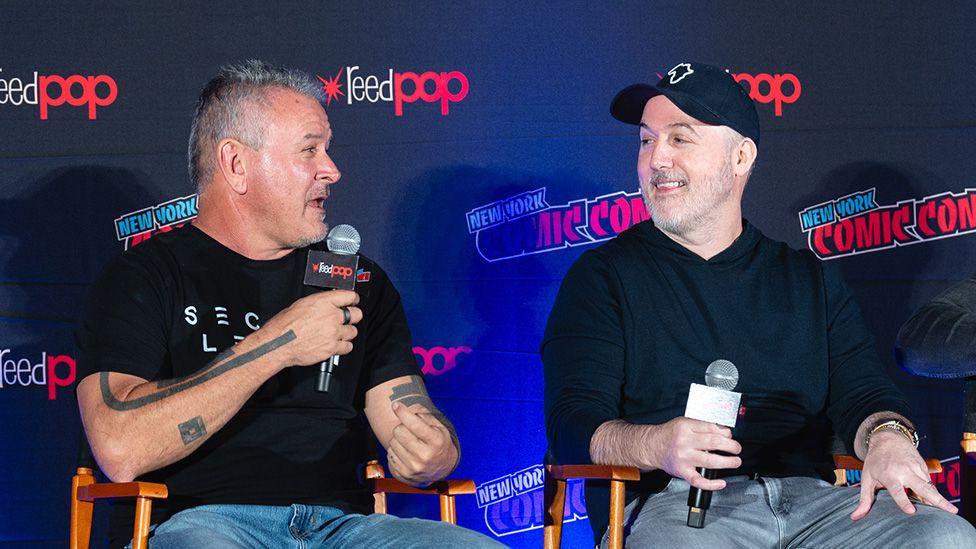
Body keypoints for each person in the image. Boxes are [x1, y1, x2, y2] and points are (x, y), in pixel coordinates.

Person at [542, 61, 976, 548]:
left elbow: (865, 395)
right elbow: (572, 424)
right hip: (680, 507)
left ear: (741, 157)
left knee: (945, 535)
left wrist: (888, 438)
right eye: (647, 140)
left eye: (680, 138)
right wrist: (656, 444)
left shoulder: (809, 280)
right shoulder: (603, 278)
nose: (656, 159)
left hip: (816, 505)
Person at [75, 60, 502, 548]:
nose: (332, 169)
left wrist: (434, 451)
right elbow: (119, 447)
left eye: (328, 148)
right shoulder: (145, 277)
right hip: (204, 524)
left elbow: (409, 413)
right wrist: (278, 344)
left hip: (345, 530)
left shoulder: (355, 278)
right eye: (309, 150)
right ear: (236, 164)